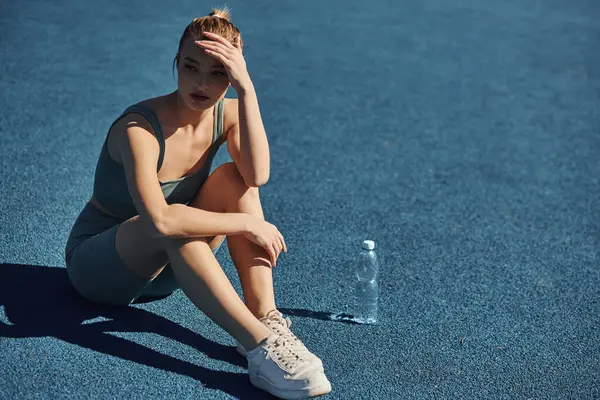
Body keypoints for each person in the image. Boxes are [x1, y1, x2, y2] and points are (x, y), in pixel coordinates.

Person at [64, 7, 332, 399]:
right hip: (101, 266)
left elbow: (257, 177)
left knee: (233, 179)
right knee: (175, 223)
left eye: (218, 73)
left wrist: (248, 91)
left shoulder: (227, 112)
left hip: (171, 266)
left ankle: (265, 318)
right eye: (190, 67)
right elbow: (158, 222)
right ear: (176, 63)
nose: (201, 83)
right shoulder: (138, 128)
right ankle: (261, 348)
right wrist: (244, 224)